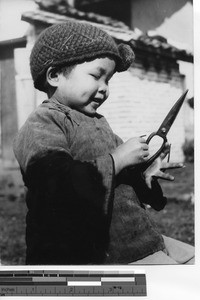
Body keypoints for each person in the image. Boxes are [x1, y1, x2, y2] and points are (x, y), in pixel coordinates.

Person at [13, 21, 194, 265]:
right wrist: (117, 159)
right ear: (54, 75)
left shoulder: (98, 122)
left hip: (139, 243)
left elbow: (122, 182)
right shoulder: (42, 123)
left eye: (108, 80)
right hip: (91, 258)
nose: (104, 89)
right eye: (97, 76)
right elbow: (54, 184)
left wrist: (144, 180)